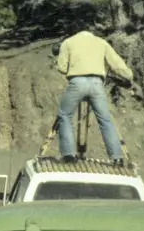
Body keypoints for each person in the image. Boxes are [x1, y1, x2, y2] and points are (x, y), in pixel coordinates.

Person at [53, 27, 134, 162]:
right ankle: (117, 158)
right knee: (105, 120)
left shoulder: (68, 42)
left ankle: (69, 155)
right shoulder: (102, 42)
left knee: (65, 115)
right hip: (97, 84)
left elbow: (62, 67)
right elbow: (117, 64)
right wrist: (129, 76)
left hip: (77, 83)